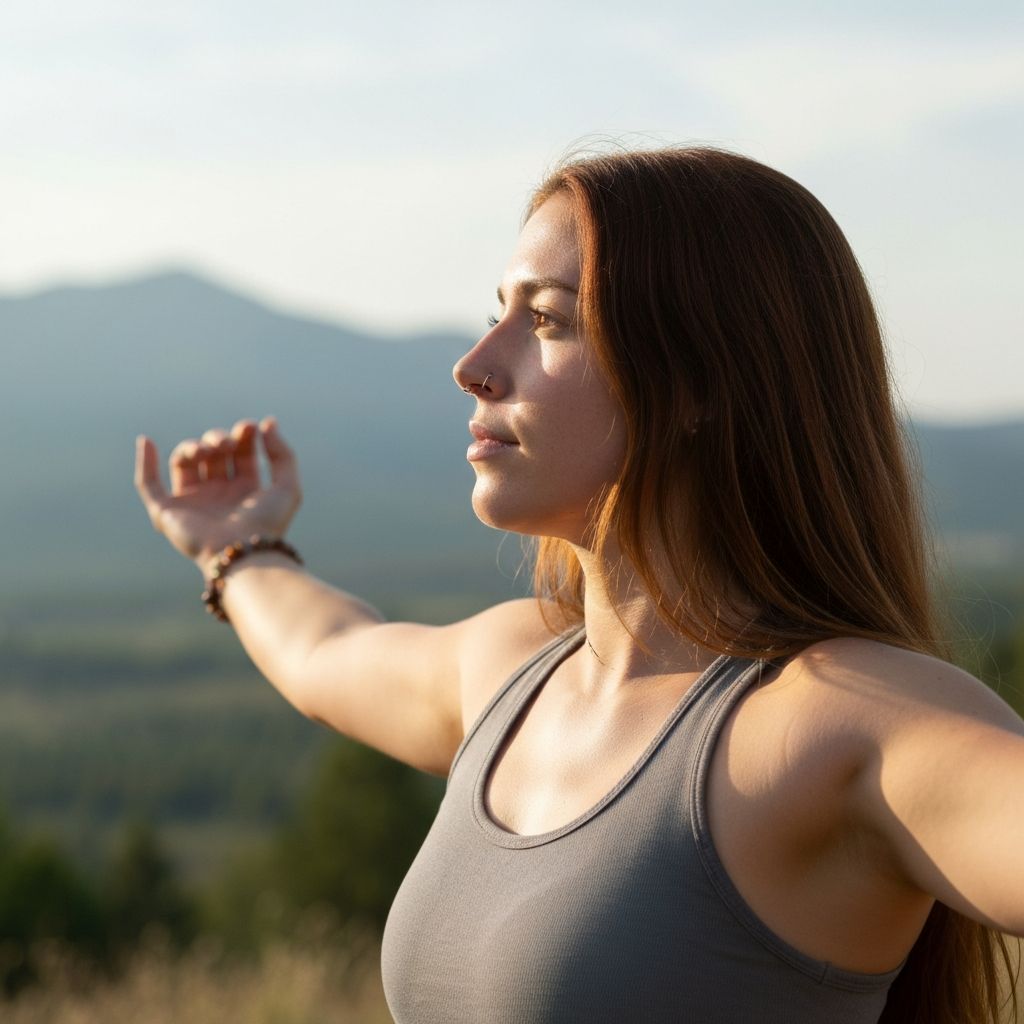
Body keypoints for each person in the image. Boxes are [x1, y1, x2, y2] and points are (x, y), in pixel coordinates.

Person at [134, 146, 1024, 1024]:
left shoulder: (840, 721)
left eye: (550, 321)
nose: (475, 364)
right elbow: (327, 650)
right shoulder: (512, 671)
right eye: (499, 313)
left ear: (699, 384)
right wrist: (239, 549)